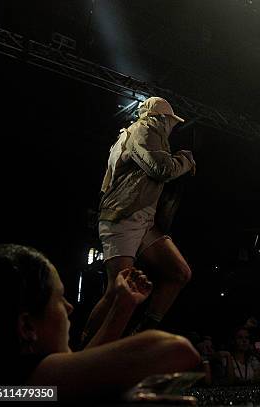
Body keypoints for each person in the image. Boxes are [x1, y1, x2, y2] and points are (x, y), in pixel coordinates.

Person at [0, 244, 199, 399]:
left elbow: (83, 366)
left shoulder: (8, 390)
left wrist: (122, 305)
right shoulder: (32, 381)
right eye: (59, 298)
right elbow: (176, 349)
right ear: (27, 326)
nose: (69, 307)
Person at [83, 96, 196, 342]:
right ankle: (83, 350)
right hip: (123, 215)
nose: (172, 128)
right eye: (170, 122)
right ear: (162, 118)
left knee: (178, 273)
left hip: (139, 218)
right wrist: (185, 160)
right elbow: (162, 169)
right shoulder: (145, 128)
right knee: (117, 291)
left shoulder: (136, 134)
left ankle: (139, 337)